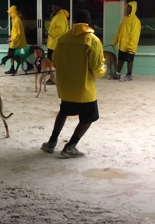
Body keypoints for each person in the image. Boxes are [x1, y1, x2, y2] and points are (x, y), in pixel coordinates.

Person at [41, 9, 106, 157]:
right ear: (89, 23)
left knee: (64, 112)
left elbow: (55, 59)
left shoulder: (63, 39)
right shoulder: (92, 40)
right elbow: (96, 68)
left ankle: (51, 142)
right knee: (89, 117)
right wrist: (103, 70)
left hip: (66, 87)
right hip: (84, 90)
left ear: (74, 22)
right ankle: (70, 147)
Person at [111, 1, 141, 81]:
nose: (127, 9)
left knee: (129, 60)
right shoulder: (125, 19)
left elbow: (134, 35)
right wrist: (114, 41)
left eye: (129, 8)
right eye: (127, 7)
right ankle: (117, 74)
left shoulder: (136, 21)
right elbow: (119, 31)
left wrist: (130, 46)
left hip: (130, 46)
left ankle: (129, 75)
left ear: (133, 9)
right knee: (120, 59)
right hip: (122, 45)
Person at [3, 5, 32, 75]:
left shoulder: (17, 20)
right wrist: (11, 34)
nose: (9, 14)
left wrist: (12, 39)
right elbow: (14, 30)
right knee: (19, 55)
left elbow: (18, 33)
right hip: (18, 42)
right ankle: (29, 65)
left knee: (10, 54)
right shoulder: (14, 19)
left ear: (13, 12)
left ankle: (12, 68)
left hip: (16, 42)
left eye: (10, 13)